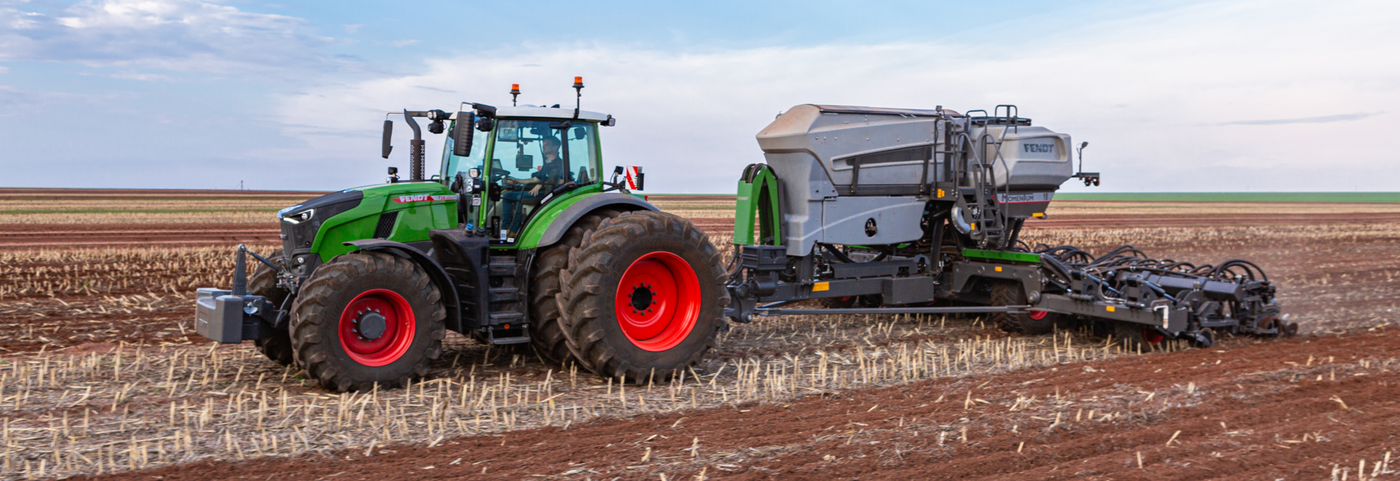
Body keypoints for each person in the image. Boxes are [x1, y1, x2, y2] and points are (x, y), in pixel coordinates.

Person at [501, 136, 569, 234]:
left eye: (547, 144)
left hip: (549, 194)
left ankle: (514, 231)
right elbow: (535, 179)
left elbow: (563, 180)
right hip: (540, 191)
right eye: (543, 144)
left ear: (556, 147)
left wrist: (542, 184)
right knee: (507, 196)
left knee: (520, 197)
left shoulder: (560, 163)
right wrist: (516, 180)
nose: (543, 146)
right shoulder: (547, 163)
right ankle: (505, 229)